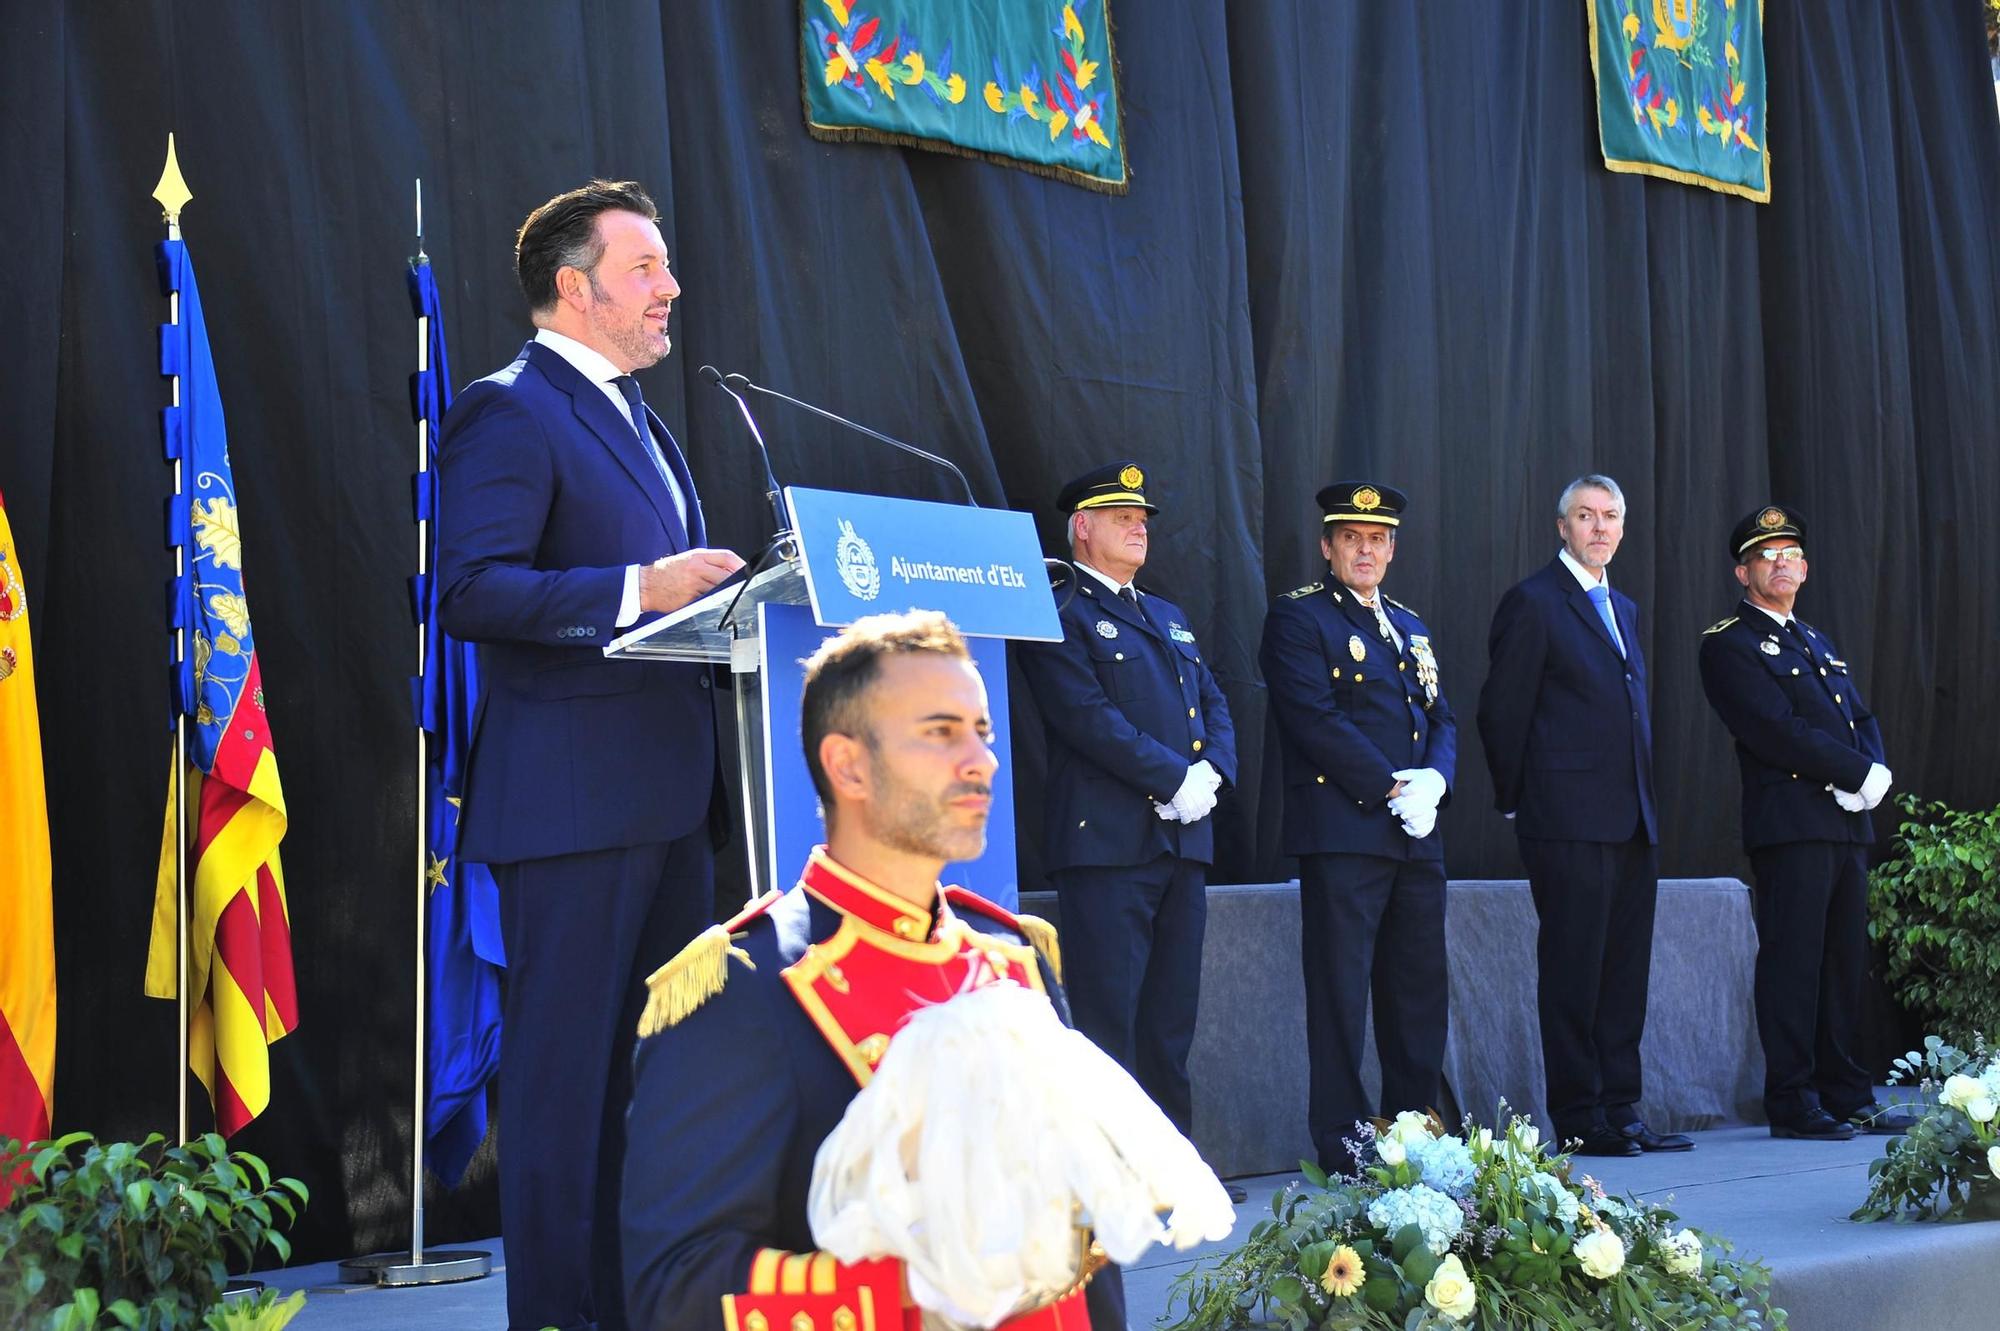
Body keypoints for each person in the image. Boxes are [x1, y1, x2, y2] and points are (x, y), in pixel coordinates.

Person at [619, 610, 1126, 1330]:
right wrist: (923, 1287)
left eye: (981, 731)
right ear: (848, 764)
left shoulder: (1016, 958)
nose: (982, 759)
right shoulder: (742, 987)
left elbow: (1087, 1265)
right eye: (940, 731)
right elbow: (676, 1291)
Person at [436, 179, 745, 1331]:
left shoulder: (640, 417)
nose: (670, 288)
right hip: (570, 812)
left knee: (658, 1094)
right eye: (647, 267)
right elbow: (468, 589)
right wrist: (636, 588)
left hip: (670, 805)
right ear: (575, 287)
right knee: (565, 1097)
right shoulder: (509, 410)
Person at [1014, 462, 1237, 1151]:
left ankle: (1170, 1163)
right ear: (1081, 528)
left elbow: (1217, 703)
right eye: (1121, 517)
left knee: (1171, 1020)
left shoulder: (1167, 615)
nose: (1139, 525)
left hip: (1183, 841)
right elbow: (1085, 716)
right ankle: (1111, 1171)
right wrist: (1174, 777)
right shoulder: (1063, 613)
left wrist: (1213, 774)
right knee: (1109, 1018)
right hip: (1107, 845)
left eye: (1141, 517)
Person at [1475, 475, 1690, 1158]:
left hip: (1631, 818)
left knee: (1624, 971)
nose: (1600, 527)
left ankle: (1622, 1106)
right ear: (1561, 526)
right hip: (1565, 819)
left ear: (1622, 529)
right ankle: (1579, 1114)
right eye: (1586, 516)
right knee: (1574, 969)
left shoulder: (1620, 605)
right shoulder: (1535, 602)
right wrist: (1519, 797)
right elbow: (1502, 711)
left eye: (1611, 516)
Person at [1258, 482, 1456, 1173]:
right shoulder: (1300, 618)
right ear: (1328, 546)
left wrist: (1436, 780)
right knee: (1341, 991)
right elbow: (1314, 719)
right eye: (1351, 538)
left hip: (1416, 831)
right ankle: (1344, 1138)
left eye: (1377, 539)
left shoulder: (1411, 624)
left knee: (1418, 987)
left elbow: (1442, 720)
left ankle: (1414, 1127)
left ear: (1393, 549)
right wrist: (1391, 784)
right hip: (1346, 831)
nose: (1365, 549)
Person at [1697, 505, 1908, 1140]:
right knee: (1793, 963)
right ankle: (1791, 1098)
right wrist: (1852, 774)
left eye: (1791, 553)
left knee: (1843, 962)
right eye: (1767, 554)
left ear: (1806, 567)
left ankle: (1845, 1090)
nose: (1782, 562)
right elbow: (1774, 731)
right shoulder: (1729, 643)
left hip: (1844, 823)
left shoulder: (1814, 640)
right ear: (1743, 571)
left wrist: (1870, 775)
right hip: (1791, 823)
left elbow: (1859, 717)